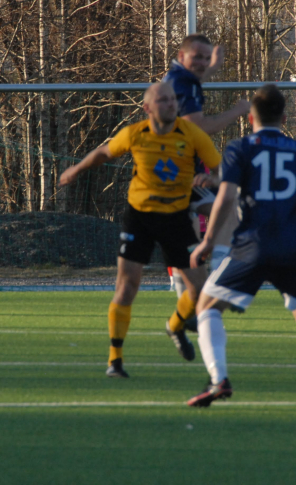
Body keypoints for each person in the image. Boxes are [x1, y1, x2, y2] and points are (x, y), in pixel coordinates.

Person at [185, 84, 296, 413]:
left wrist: (208, 240)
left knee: (206, 306)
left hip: (252, 246)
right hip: (295, 247)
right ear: (284, 118)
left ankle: (219, 379)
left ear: (250, 118)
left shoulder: (240, 148)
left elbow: (227, 197)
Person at [58, 81, 222, 379]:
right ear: (147, 107)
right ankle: (115, 360)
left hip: (176, 218)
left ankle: (175, 325)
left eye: (172, 99)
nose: (170, 104)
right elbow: (104, 153)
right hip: (140, 218)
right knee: (127, 286)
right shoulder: (135, 133)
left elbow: (219, 168)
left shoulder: (191, 134)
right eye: (163, 100)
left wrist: (213, 180)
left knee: (200, 289)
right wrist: (77, 169)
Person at [163, 34, 251, 295]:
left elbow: (194, 80)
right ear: (181, 56)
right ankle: (216, 275)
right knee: (226, 207)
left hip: (176, 169)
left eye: (205, 57)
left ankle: (189, 287)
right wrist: (238, 110)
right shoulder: (184, 83)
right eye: (197, 57)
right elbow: (199, 127)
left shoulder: (178, 78)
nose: (202, 62)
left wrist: (212, 68)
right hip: (176, 171)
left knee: (209, 214)